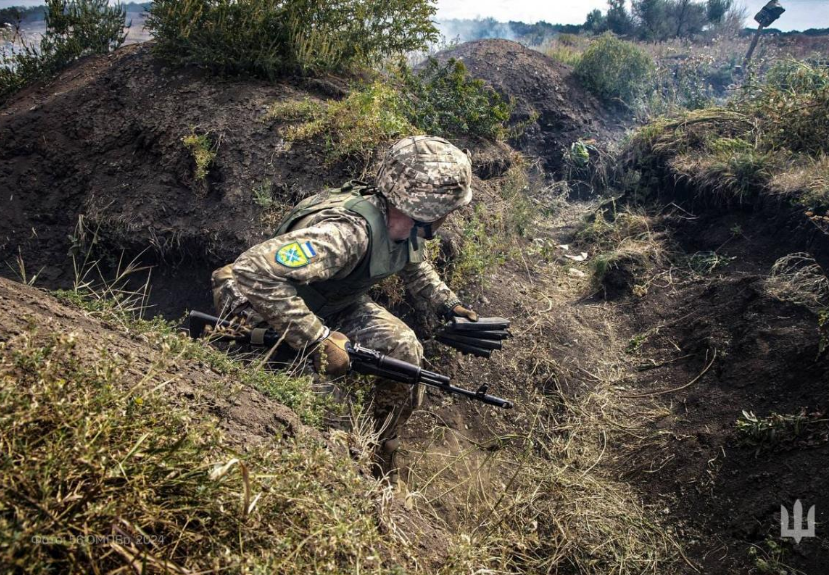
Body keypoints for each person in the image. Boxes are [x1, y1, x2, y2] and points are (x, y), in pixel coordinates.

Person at [210, 135, 479, 481]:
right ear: (428, 207)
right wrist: (318, 339)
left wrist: (448, 303)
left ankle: (382, 449)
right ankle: (340, 467)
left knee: (405, 350)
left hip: (332, 302)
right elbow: (253, 271)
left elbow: (412, 262)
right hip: (259, 303)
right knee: (330, 406)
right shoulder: (347, 234)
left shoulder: (403, 225)